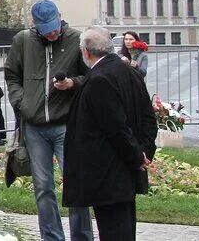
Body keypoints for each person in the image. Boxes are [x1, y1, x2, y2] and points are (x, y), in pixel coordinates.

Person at [4, 0, 93, 241]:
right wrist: (21, 101)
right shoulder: (23, 41)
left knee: (75, 185)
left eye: (54, 27)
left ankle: (82, 237)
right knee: (43, 188)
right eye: (46, 29)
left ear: (60, 18)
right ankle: (52, 237)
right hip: (34, 127)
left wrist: (72, 83)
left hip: (66, 124)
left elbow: (92, 76)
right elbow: (11, 75)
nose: (52, 33)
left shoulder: (76, 39)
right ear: (35, 25)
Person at [63, 27, 156, 241]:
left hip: (108, 170)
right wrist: (145, 150)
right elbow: (148, 117)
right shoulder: (127, 71)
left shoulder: (99, 79)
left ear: (85, 51)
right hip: (124, 169)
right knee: (122, 228)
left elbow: (116, 127)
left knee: (114, 231)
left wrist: (137, 155)